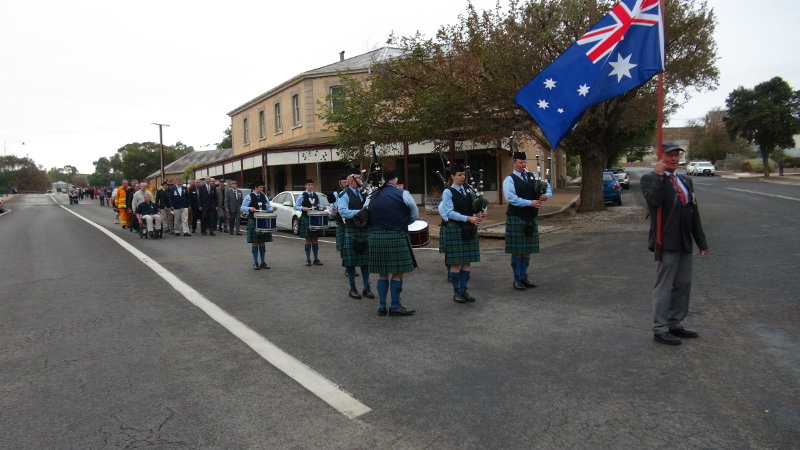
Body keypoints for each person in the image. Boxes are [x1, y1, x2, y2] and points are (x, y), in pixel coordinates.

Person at [641, 142, 709, 346]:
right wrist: (659, 176)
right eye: (669, 155)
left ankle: (675, 322)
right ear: (660, 156)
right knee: (665, 286)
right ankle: (660, 328)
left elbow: (693, 213)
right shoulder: (649, 179)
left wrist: (701, 242)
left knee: (682, 285)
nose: (673, 159)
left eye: (676, 155)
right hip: (666, 240)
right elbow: (654, 202)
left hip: (684, 241)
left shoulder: (685, 180)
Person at [367, 168, 419, 316]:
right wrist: (403, 223)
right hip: (397, 235)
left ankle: (382, 306)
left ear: (383, 179)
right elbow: (414, 214)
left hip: (377, 237)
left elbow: (366, 214)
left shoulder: (372, 195)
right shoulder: (403, 193)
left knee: (382, 273)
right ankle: (395, 305)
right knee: (397, 273)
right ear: (395, 180)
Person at [502, 151, 552, 290]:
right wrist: (531, 202)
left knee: (527, 250)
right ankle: (516, 279)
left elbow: (547, 187)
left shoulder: (533, 176)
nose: (523, 165)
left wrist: (545, 196)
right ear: (514, 163)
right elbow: (511, 198)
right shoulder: (509, 179)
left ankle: (524, 277)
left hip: (530, 217)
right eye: (520, 162)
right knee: (518, 251)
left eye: (524, 162)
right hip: (516, 217)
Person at [439, 164, 488, 303]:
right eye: (459, 175)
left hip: (469, 227)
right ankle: (456, 293)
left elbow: (480, 200)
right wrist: (467, 218)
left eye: (463, 174)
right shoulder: (448, 192)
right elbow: (449, 213)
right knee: (456, 263)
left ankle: (464, 290)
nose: (462, 177)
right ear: (452, 176)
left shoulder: (469, 189)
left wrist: (483, 210)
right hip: (456, 227)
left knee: (467, 262)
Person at [336, 171, 375, 299]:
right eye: (358, 179)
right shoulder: (344, 195)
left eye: (361, 179)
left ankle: (366, 288)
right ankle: (352, 288)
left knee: (365, 263)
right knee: (351, 263)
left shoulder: (365, 193)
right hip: (352, 229)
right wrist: (361, 212)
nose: (361, 181)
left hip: (365, 230)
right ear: (351, 182)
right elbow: (342, 212)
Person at [241, 182, 274, 270]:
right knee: (255, 242)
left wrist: (272, 209)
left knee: (262, 241)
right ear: (255, 187)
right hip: (253, 220)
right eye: (261, 187)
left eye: (263, 188)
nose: (262, 189)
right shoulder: (249, 197)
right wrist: (249, 208)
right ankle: (255, 263)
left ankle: (263, 262)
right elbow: (242, 207)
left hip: (263, 220)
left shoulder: (264, 196)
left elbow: (268, 208)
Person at [294, 178, 324, 266]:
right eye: (309, 185)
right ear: (305, 186)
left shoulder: (315, 195)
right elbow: (296, 206)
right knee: (308, 239)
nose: (310, 186)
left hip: (315, 218)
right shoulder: (302, 195)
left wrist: (322, 208)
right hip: (306, 218)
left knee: (315, 238)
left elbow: (319, 205)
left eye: (312, 185)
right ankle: (308, 259)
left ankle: (316, 259)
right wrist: (302, 208)